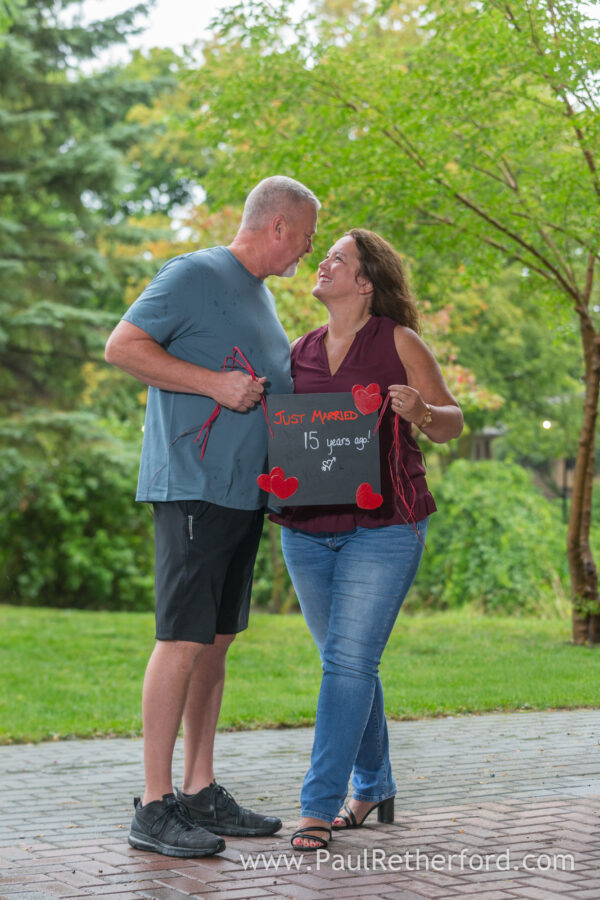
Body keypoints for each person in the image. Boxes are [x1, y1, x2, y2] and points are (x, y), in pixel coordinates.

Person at [104, 175, 320, 858]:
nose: (307, 252)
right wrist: (214, 385)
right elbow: (122, 346)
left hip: (243, 495)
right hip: (193, 488)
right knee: (182, 639)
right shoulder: (195, 274)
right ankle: (154, 804)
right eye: (306, 238)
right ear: (278, 225)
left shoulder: (259, 296)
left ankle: (199, 789)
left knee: (217, 642)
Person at [269, 228, 463, 851]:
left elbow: (452, 422)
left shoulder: (399, 341)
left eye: (337, 259)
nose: (322, 264)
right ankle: (375, 784)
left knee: (348, 662)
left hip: (387, 526)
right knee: (345, 662)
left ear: (365, 281)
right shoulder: (297, 351)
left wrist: (421, 413)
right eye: (324, 257)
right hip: (306, 531)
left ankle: (318, 806)